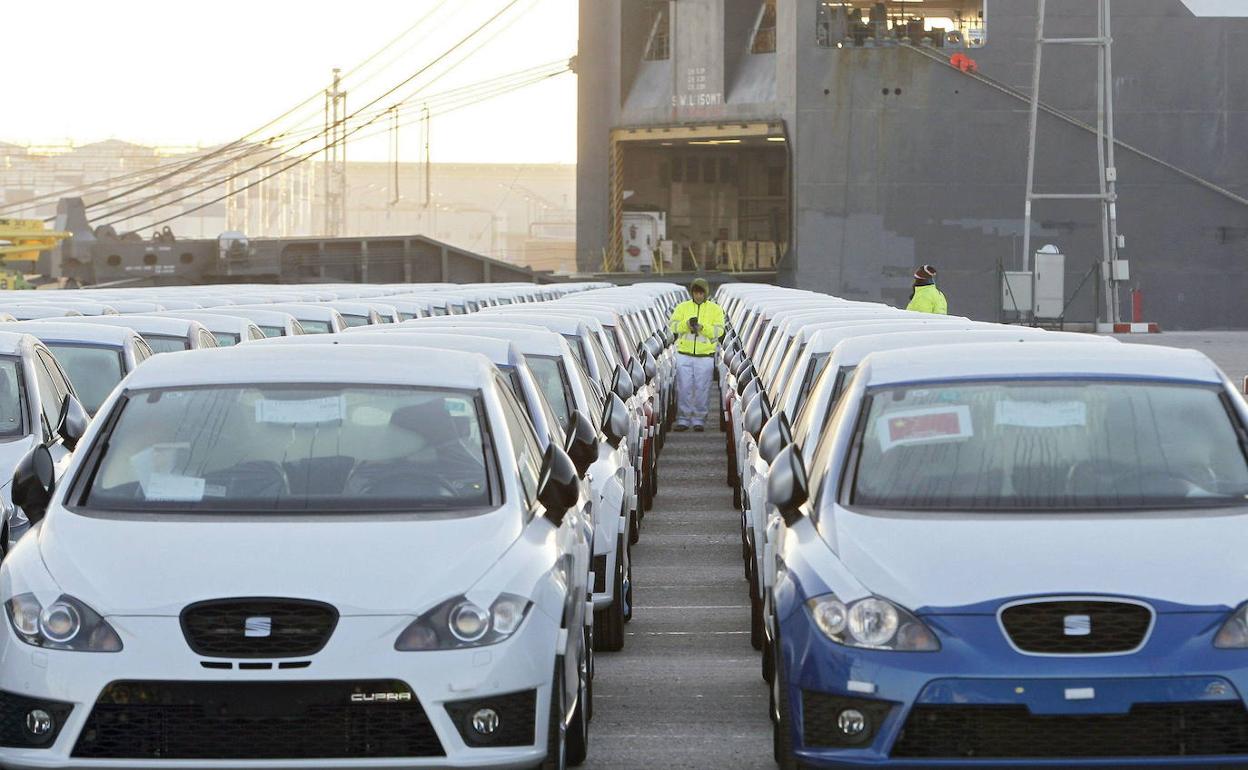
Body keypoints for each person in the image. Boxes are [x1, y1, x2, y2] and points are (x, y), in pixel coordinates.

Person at [669, 278, 724, 432]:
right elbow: (673, 326)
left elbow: (719, 331)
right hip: (684, 354)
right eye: (695, 292)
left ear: (706, 292)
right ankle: (683, 419)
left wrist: (702, 327)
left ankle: (699, 419)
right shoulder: (682, 307)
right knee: (683, 388)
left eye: (701, 292)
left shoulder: (715, 309)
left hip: (705, 356)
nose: (698, 295)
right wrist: (686, 325)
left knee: (702, 389)